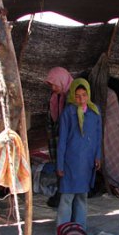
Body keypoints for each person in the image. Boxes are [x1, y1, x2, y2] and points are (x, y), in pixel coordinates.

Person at [55, 78, 102, 230]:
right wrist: (60, 164)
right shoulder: (68, 113)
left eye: (84, 95)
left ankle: (80, 230)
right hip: (70, 162)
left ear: (88, 95)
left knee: (82, 197)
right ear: (72, 96)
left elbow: (98, 136)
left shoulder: (95, 112)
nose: (81, 99)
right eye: (77, 95)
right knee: (67, 197)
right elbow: (62, 140)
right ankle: (63, 232)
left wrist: (98, 156)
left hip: (87, 162)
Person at [44, 67, 74, 208]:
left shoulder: (73, 96)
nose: (53, 87)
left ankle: (66, 194)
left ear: (62, 80)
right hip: (57, 139)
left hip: (69, 140)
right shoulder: (55, 97)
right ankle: (61, 191)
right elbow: (51, 117)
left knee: (68, 166)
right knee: (59, 167)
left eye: (54, 83)